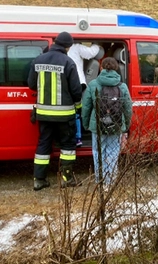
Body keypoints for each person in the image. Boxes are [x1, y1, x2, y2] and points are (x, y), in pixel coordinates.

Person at [26, 32, 84, 191]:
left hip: (44, 114)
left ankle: (39, 180)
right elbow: (76, 91)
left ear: (55, 42)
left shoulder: (38, 60)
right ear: (68, 46)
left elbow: (31, 84)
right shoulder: (68, 62)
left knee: (43, 144)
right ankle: (67, 178)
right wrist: (78, 108)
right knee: (67, 146)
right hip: (65, 115)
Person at [80, 57, 132, 189]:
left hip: (97, 126)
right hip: (116, 125)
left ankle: (100, 180)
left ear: (101, 68)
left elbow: (86, 108)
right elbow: (127, 108)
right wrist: (126, 127)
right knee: (113, 153)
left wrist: (86, 125)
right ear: (116, 69)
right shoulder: (123, 86)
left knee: (98, 152)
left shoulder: (92, 85)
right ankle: (111, 181)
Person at [67, 41, 102, 147]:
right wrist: (97, 45)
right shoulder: (76, 47)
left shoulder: (60, 51)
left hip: (66, 83)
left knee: (70, 111)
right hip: (78, 83)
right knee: (77, 111)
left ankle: (73, 136)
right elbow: (92, 52)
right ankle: (78, 137)